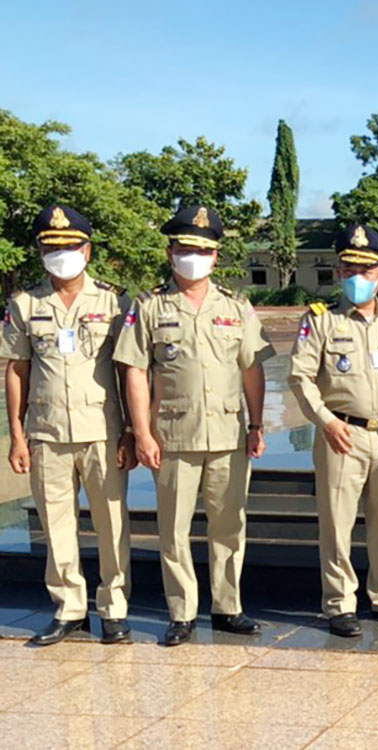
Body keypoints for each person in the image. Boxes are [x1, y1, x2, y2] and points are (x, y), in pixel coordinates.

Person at [114, 205, 272, 646]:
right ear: (170, 253)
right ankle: (181, 612)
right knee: (174, 531)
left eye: (201, 251)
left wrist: (256, 424)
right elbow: (135, 373)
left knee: (228, 526)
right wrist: (141, 432)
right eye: (184, 249)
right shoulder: (148, 307)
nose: (192, 258)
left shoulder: (237, 307)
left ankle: (228, 608)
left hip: (227, 435)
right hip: (174, 436)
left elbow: (252, 370)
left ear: (216, 257)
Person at [1, 204, 135, 645]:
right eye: (52, 248)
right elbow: (16, 369)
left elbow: (129, 369)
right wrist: (17, 435)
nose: (62, 256)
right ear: (41, 252)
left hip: (102, 429)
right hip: (47, 432)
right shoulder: (24, 304)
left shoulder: (115, 301)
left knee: (111, 523)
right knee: (56, 524)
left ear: (87, 250)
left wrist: (132, 431)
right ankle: (69, 609)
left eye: (70, 247)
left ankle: (113, 608)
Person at [288, 223, 378, 637]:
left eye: (366, 272)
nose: (356, 279)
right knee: (337, 523)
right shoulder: (321, 322)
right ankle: (339, 604)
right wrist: (325, 420)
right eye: (349, 270)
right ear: (338, 273)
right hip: (340, 434)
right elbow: (299, 376)